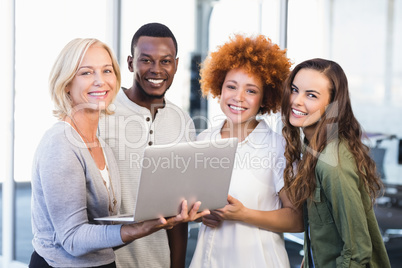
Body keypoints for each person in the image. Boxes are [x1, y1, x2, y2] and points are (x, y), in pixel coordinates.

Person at [29, 38, 200, 268]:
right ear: (67, 83)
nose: (100, 81)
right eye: (86, 73)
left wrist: (155, 222)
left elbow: (103, 235)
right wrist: (138, 229)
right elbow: (72, 239)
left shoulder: (103, 148)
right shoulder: (60, 143)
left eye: (106, 70)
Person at [98, 23, 208, 268]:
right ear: (129, 63)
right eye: (146, 60)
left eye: (165, 61)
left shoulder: (183, 122)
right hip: (106, 261)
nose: (156, 70)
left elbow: (179, 211)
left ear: (176, 65)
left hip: (158, 260)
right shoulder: (102, 115)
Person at [189, 34, 304, 268]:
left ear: (264, 98)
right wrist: (201, 213)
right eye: (231, 86)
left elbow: (297, 219)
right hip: (206, 260)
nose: (238, 97)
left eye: (251, 91)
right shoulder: (202, 140)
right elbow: (194, 201)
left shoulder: (278, 147)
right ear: (219, 88)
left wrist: (242, 214)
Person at [281, 58, 391, 267]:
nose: (296, 100)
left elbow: (358, 251)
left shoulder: (332, 163)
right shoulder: (312, 147)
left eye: (311, 95)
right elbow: (322, 231)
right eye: (294, 90)